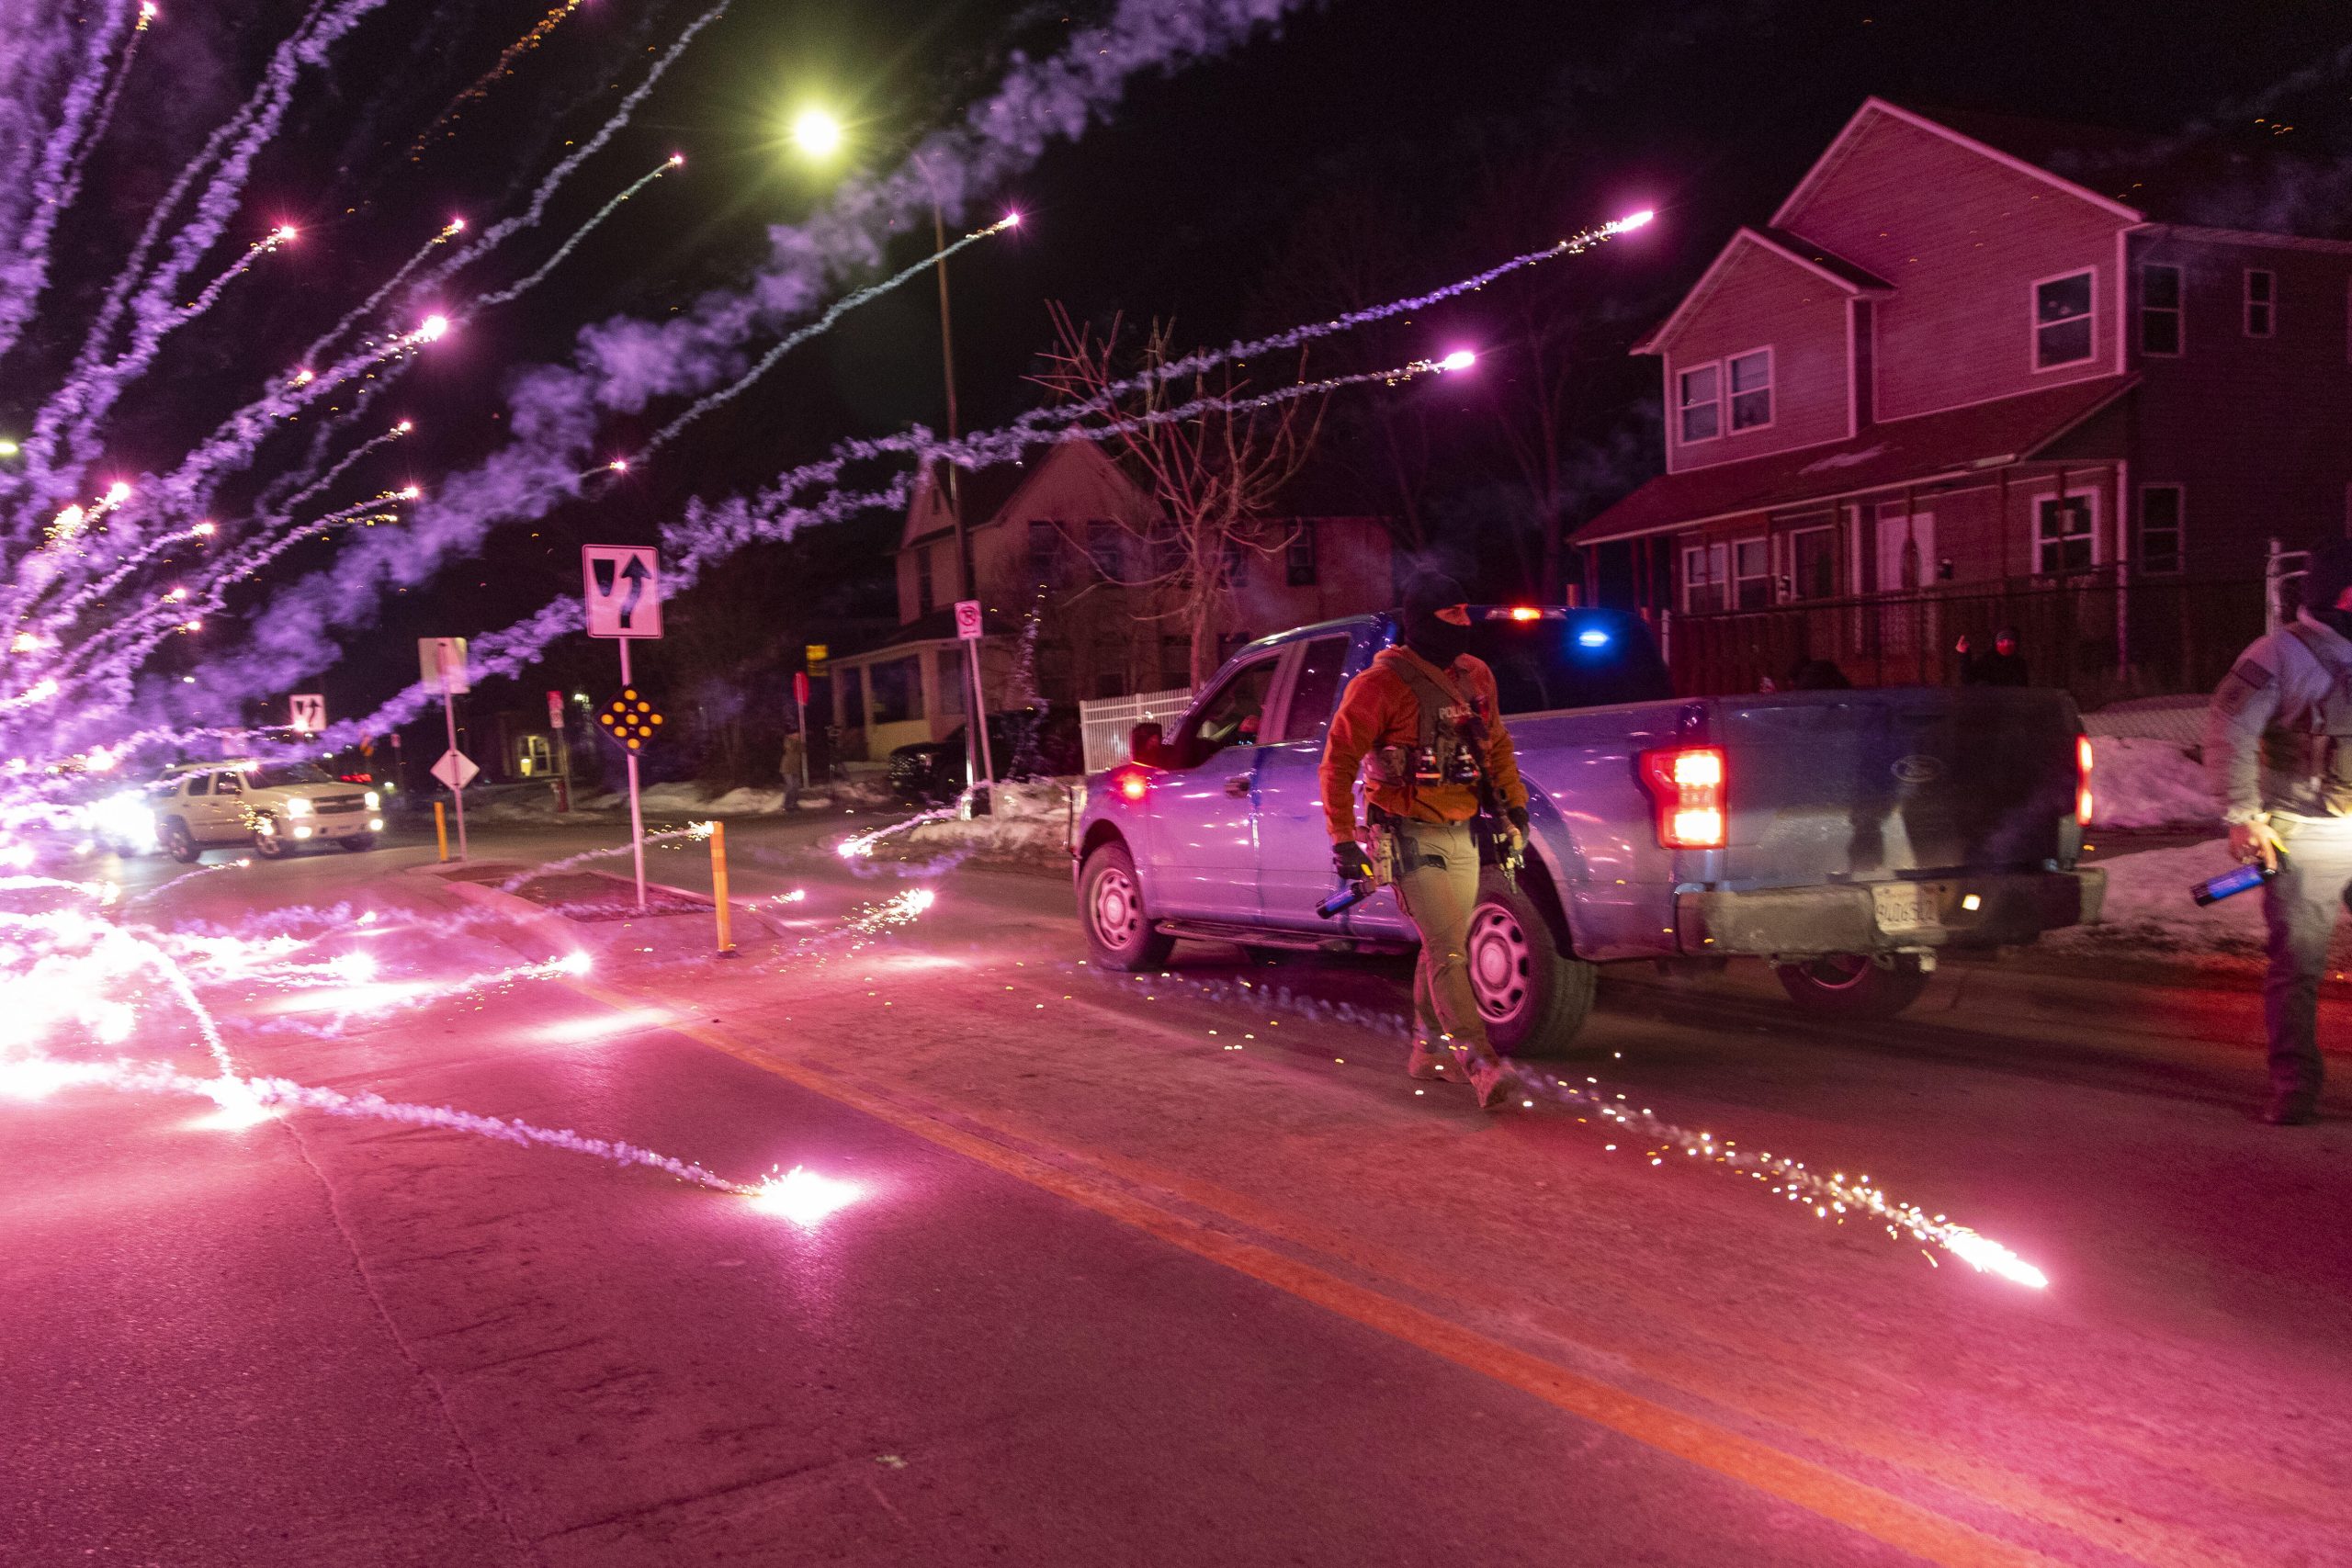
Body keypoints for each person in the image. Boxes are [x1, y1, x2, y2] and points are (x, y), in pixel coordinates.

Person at [1320, 575, 1532, 1111]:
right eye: (1451, 614)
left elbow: (1496, 745)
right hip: (1407, 834)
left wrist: (1515, 806)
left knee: (1445, 943)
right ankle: (1479, 1062)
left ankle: (1428, 1050)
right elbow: (1338, 761)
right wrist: (1343, 838)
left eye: (1465, 612)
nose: (1463, 623)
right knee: (1449, 949)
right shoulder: (1378, 685)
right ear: (1421, 621)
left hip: (1462, 830)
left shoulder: (1475, 676)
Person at [2207, 538, 2352, 1125]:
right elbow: (2230, 730)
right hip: (2304, 833)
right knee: (2298, 966)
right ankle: (2295, 1084)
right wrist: (2243, 816)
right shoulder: (2277, 653)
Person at [1958, 628, 2029, 686]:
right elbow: (1967, 679)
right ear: (1996, 644)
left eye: (2010, 641)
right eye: (2002, 641)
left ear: (2015, 644)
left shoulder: (2019, 663)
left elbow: (2023, 688)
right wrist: (1964, 654)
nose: (2006, 644)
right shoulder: (1986, 661)